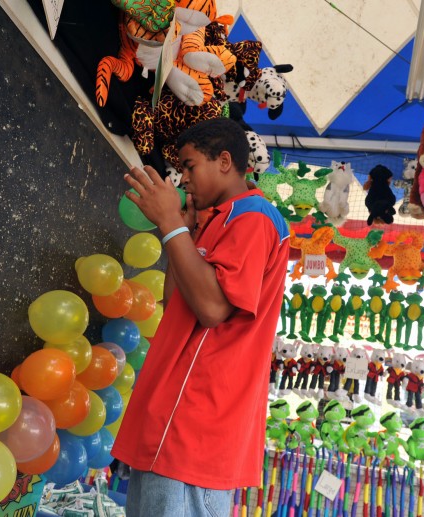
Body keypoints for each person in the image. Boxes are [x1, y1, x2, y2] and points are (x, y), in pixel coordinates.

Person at [112, 117, 290, 516]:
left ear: (224, 161)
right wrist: (184, 232)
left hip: (197, 425)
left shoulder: (254, 217)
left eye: (190, 166)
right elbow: (177, 298)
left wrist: (172, 223)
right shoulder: (215, 220)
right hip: (170, 417)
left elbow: (212, 310)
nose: (184, 179)